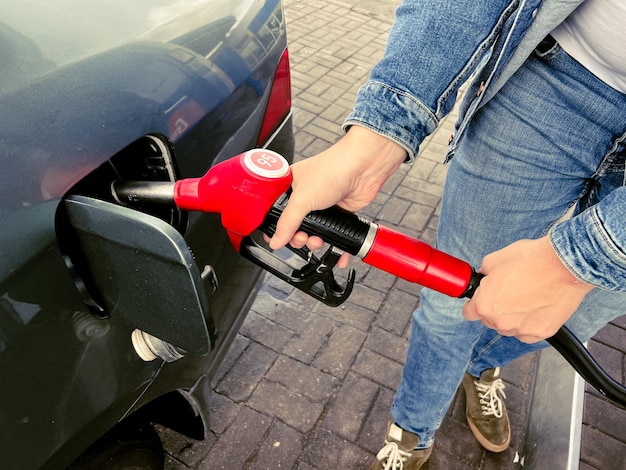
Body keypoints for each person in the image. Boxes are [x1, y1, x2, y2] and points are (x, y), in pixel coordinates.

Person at [270, 0, 626, 468]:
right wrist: (380, 132)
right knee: (450, 305)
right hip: (558, 79)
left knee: (564, 323)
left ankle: (480, 369)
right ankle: (413, 430)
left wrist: (589, 257)